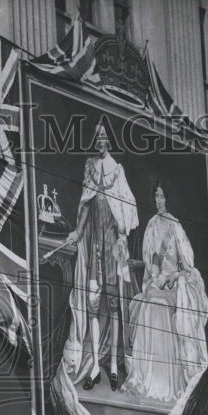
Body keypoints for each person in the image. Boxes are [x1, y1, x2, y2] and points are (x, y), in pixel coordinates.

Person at [64, 125, 138, 392]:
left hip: (113, 251)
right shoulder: (90, 167)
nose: (101, 143)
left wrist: (122, 234)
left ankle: (115, 366)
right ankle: (95, 365)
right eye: (98, 139)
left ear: (110, 141)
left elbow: (128, 207)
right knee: (93, 307)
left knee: (115, 307)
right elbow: (85, 207)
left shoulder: (117, 170)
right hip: (95, 249)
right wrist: (78, 231)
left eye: (105, 139)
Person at [123, 181, 208, 404]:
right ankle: (146, 378)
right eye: (156, 196)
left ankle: (165, 382)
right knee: (148, 302)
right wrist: (155, 278)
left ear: (167, 198)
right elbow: (153, 260)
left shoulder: (175, 227)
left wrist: (172, 277)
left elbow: (187, 267)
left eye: (162, 196)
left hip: (174, 283)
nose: (159, 200)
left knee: (160, 305)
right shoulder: (152, 225)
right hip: (157, 281)